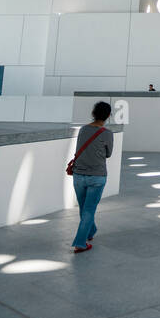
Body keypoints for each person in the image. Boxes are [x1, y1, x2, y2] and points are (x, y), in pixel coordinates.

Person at [70, 100, 114, 254]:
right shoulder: (107, 133)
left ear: (93, 113)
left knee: (84, 208)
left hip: (78, 176)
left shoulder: (83, 130)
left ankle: (91, 230)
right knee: (88, 210)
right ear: (108, 115)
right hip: (97, 177)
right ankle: (80, 243)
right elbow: (108, 154)